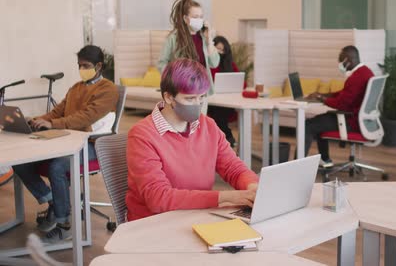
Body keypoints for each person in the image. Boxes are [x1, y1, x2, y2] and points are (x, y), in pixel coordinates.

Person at [125, 59, 259, 221]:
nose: (198, 105)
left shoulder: (208, 125)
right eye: (190, 99)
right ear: (168, 97)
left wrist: (252, 187)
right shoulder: (142, 135)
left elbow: (234, 168)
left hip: (198, 215)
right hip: (155, 222)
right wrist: (224, 197)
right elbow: (158, 198)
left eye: (201, 97)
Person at [13, 45, 119, 243]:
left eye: (85, 65)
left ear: (98, 66)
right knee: (21, 161)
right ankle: (53, 201)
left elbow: (85, 117)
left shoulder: (108, 90)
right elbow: (57, 112)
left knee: (57, 166)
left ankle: (64, 224)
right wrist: (35, 119)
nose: (81, 69)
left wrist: (52, 124)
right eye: (79, 65)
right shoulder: (76, 88)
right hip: (66, 140)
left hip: (92, 145)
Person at [304, 46, 374, 168]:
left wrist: (321, 99)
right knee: (319, 121)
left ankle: (296, 165)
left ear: (348, 60)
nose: (340, 64)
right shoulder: (365, 71)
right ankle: (325, 160)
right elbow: (344, 93)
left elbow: (341, 104)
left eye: (341, 61)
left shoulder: (356, 78)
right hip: (360, 118)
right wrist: (323, 95)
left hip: (351, 120)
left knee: (308, 125)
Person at [157, 0, 220, 96]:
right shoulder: (173, 38)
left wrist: (209, 40)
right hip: (182, 90)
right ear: (186, 19)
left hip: (202, 90)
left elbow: (214, 63)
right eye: (195, 17)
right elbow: (161, 63)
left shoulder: (203, 37)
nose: (199, 20)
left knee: (201, 112)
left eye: (201, 17)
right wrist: (175, 81)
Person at [208, 35, 243, 147]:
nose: (220, 52)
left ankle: (225, 140)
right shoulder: (210, 63)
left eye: (222, 50)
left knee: (220, 114)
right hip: (212, 101)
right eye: (217, 49)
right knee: (218, 114)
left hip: (228, 102)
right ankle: (228, 138)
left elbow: (241, 82)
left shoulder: (230, 64)